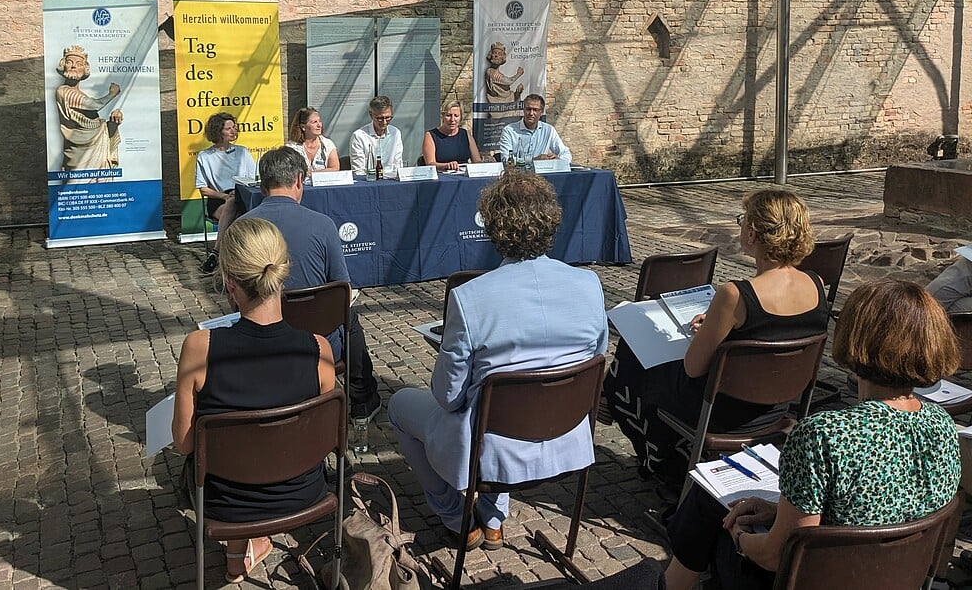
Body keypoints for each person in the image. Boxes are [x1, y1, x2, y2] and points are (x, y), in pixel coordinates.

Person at [664, 278, 961, 590]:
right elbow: (882, 510)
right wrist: (782, 512)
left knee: (710, 501)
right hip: (892, 577)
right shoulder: (941, 424)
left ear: (853, 338)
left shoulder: (823, 435)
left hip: (817, 578)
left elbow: (775, 557)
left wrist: (738, 536)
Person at [388, 171, 608, 550]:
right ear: (551, 221)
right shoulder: (588, 285)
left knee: (399, 406)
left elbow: (448, 397)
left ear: (493, 228)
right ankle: (491, 519)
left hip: (492, 447)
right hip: (566, 439)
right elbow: (594, 359)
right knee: (501, 399)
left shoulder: (472, 298)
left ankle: (458, 518)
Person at [604, 188, 830, 489]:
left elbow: (693, 368)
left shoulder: (735, 294)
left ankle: (659, 458)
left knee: (633, 358)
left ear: (752, 233)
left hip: (723, 412)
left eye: (742, 220)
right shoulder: (816, 285)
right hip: (778, 406)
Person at [172, 217, 337, 584]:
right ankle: (248, 548)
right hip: (303, 491)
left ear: (230, 284)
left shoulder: (200, 348)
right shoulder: (319, 351)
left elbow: (183, 442)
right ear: (282, 274)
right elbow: (329, 438)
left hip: (226, 503)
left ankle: (238, 551)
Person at [236, 146, 381, 420]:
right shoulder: (323, 225)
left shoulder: (241, 227)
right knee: (350, 318)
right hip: (318, 339)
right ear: (299, 180)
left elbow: (232, 296)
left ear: (263, 183)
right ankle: (361, 399)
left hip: (256, 336)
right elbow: (341, 289)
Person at [195, 112, 256, 274]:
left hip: (243, 193)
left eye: (233, 127)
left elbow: (254, 178)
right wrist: (223, 196)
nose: (233, 131)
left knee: (237, 206)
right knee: (232, 206)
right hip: (219, 198)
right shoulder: (205, 156)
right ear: (217, 132)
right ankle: (230, 258)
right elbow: (203, 189)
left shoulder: (243, 152)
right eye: (228, 128)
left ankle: (217, 254)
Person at [54, 45, 124, 172]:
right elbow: (93, 105)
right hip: (78, 156)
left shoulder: (81, 94)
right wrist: (112, 94)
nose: (73, 66)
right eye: (69, 62)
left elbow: (94, 124)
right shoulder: (63, 92)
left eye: (79, 64)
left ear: (85, 69)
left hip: (97, 151)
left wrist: (113, 123)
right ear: (63, 65)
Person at [496, 94, 571, 163]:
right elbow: (506, 159)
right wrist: (534, 160)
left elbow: (566, 153)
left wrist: (558, 160)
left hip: (541, 174)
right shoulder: (509, 131)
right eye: (528, 109)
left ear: (541, 112)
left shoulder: (548, 130)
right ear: (524, 110)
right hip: (517, 175)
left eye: (535, 110)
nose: (531, 113)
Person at [349, 95, 404, 174]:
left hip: (391, 179)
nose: (384, 122)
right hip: (368, 180)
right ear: (371, 115)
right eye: (380, 118)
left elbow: (398, 163)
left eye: (388, 118)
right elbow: (358, 171)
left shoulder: (395, 133)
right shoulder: (359, 136)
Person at [422, 102, 482, 172]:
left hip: (464, 175)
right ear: (442, 117)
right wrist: (447, 166)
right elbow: (430, 164)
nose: (452, 119)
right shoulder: (430, 135)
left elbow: (477, 161)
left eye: (456, 116)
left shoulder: (465, 134)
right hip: (441, 176)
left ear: (460, 118)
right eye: (448, 115)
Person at [285, 107, 339, 173]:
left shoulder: (328, 144)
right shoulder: (292, 148)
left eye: (319, 121)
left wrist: (313, 174)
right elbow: (289, 171)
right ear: (303, 127)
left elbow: (334, 168)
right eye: (314, 122)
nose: (319, 125)